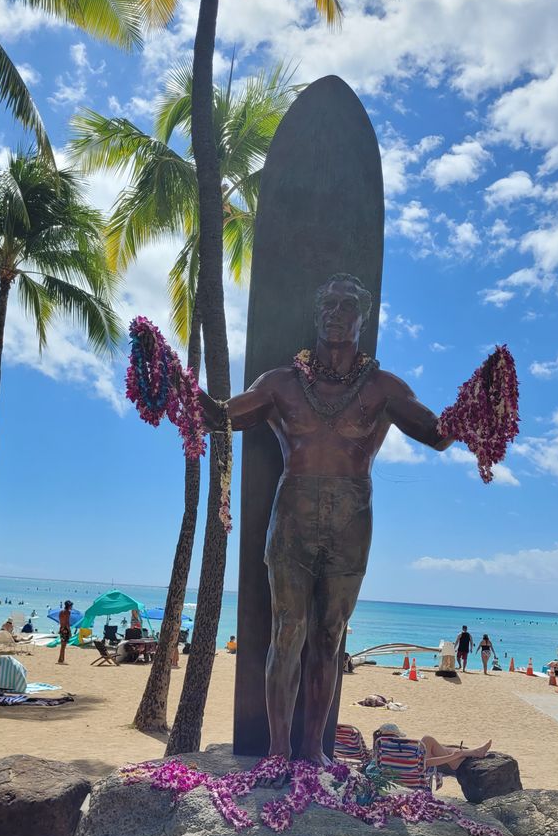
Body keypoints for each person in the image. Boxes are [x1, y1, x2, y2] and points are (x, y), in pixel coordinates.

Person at [191, 273, 453, 766]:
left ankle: (314, 751)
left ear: (363, 317)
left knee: (330, 637)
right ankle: (277, 751)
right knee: (288, 631)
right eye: (328, 305)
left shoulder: (384, 388)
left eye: (346, 306)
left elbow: (438, 435)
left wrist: (481, 405)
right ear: (316, 316)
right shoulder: (280, 384)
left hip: (352, 517)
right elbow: (220, 416)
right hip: (293, 513)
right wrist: (169, 376)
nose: (336, 313)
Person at [421, 736, 492, 770]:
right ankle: (453, 762)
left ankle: (475, 752)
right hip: (417, 770)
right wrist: (453, 756)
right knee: (427, 739)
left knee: (437, 747)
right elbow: (426, 763)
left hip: (413, 764)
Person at [58, 600, 73, 664]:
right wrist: (69, 631)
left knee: (62, 645)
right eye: (71, 606)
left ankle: (60, 659)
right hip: (65, 629)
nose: (72, 607)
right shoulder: (68, 612)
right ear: (69, 606)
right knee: (63, 646)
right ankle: (62, 660)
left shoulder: (61, 612)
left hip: (61, 628)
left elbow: (61, 621)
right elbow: (67, 622)